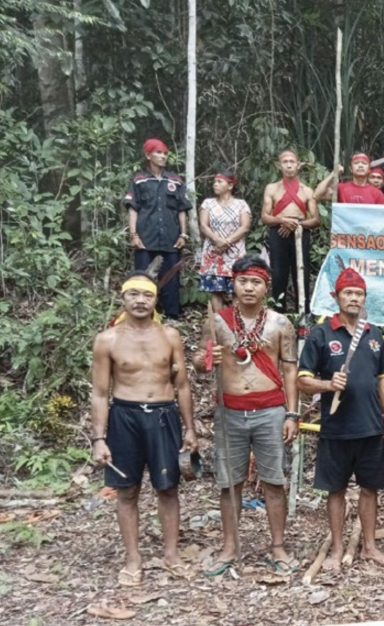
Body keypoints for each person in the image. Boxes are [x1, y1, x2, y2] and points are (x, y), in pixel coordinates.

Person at [193, 255, 300, 577]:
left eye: (256, 282)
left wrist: (292, 414)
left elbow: (291, 370)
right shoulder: (217, 321)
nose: (249, 288)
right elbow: (199, 361)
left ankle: (278, 546)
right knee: (230, 482)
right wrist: (205, 359)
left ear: (266, 287)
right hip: (230, 411)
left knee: (274, 481)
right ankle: (230, 546)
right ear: (233, 284)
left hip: (270, 410)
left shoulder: (281, 324)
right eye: (243, 281)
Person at [90, 272, 197, 585]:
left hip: (164, 416)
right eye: (133, 294)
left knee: (168, 488)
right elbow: (99, 392)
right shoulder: (107, 340)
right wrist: (99, 438)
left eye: (146, 295)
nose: (140, 300)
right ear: (123, 298)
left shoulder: (170, 336)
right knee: (127, 491)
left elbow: (183, 386)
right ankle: (133, 559)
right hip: (125, 417)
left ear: (155, 300)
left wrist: (190, 428)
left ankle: (171, 555)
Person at [297, 268, 384, 569]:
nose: (353, 298)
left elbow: (382, 382)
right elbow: (302, 380)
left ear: (364, 298)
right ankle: (338, 548)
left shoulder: (374, 333)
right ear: (336, 297)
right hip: (337, 428)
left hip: (370, 427)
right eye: (348, 293)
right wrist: (328, 385)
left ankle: (369, 546)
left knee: (370, 489)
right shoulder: (322, 334)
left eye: (359, 294)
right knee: (336, 489)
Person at [122, 138, 192, 320]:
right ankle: (144, 316)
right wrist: (134, 235)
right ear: (148, 155)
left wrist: (183, 234)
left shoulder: (175, 180)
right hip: (145, 237)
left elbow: (182, 209)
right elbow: (133, 208)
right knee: (143, 278)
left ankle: (172, 316)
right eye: (158, 152)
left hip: (171, 237)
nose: (163, 156)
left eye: (165, 153)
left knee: (171, 278)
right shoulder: (139, 180)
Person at [260, 149, 319, 313]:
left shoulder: (307, 190)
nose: (289, 165)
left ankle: (304, 314)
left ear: (298, 165)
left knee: (302, 274)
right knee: (278, 275)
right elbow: (265, 217)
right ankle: (278, 313)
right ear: (279, 166)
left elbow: (316, 220)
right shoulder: (271, 188)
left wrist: (296, 224)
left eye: (292, 162)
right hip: (278, 234)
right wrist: (282, 220)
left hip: (301, 234)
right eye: (285, 162)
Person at [197, 170, 251, 313]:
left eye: (219, 182)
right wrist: (217, 240)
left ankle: (235, 321)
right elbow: (203, 225)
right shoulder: (208, 203)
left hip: (235, 253)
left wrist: (226, 242)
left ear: (230, 185)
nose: (215, 184)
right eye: (214, 182)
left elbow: (244, 227)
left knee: (236, 289)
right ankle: (219, 321)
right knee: (216, 289)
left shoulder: (241, 204)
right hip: (213, 252)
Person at [314, 153, 384, 205]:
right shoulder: (341, 188)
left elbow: (380, 218)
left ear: (369, 170)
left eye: (364, 163)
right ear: (351, 169)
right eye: (356, 163)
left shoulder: (377, 193)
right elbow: (316, 195)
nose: (360, 165)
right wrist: (333, 174)